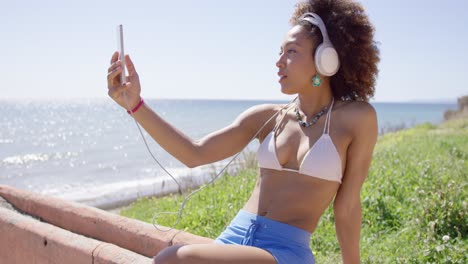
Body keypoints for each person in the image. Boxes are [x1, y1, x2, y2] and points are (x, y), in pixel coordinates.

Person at [106, 0, 379, 263]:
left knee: (171, 259)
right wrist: (135, 105)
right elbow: (194, 153)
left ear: (325, 59)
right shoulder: (267, 118)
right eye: (279, 51)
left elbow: (347, 207)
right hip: (233, 240)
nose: (279, 61)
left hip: (285, 253)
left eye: (291, 51)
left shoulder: (356, 119)